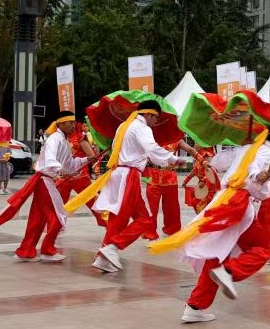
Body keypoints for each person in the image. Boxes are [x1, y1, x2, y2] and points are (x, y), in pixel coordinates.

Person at [159, 124, 270, 323]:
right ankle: (229, 272)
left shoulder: (248, 148)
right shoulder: (265, 151)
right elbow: (254, 172)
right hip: (238, 203)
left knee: (217, 255)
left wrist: (241, 150)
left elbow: (219, 162)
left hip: (225, 199)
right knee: (262, 248)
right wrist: (260, 176)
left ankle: (195, 306)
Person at [65, 100, 186, 274]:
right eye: (156, 118)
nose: (156, 122)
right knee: (136, 220)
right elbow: (152, 149)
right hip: (129, 175)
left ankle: (104, 257)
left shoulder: (123, 126)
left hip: (118, 173)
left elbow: (125, 150)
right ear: (148, 114)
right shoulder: (142, 128)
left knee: (124, 219)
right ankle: (112, 247)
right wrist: (174, 159)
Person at [0, 111, 93, 262]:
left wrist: (86, 159)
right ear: (61, 123)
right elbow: (50, 158)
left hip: (46, 181)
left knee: (38, 219)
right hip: (44, 181)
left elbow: (69, 163)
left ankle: (25, 251)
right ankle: (47, 251)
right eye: (70, 122)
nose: (73, 125)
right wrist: (58, 169)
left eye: (74, 122)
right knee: (57, 217)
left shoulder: (64, 140)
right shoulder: (54, 139)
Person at [55, 122, 106, 228]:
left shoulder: (80, 138)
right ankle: (54, 226)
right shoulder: (60, 138)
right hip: (65, 177)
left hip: (80, 176)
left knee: (92, 203)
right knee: (57, 203)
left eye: (71, 123)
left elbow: (91, 156)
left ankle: (108, 224)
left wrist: (81, 161)